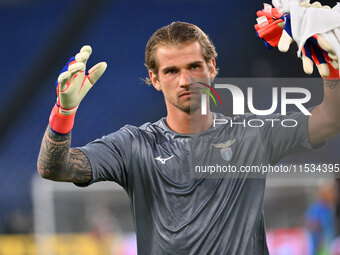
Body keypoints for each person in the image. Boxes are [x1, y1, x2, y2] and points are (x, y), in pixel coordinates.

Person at [37, 21, 340, 254]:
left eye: (194, 66)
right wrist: (64, 111)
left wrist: (333, 72)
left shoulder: (253, 135)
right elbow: (54, 168)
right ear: (154, 79)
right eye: (171, 71)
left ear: (211, 68)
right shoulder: (132, 145)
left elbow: (331, 118)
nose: (185, 80)